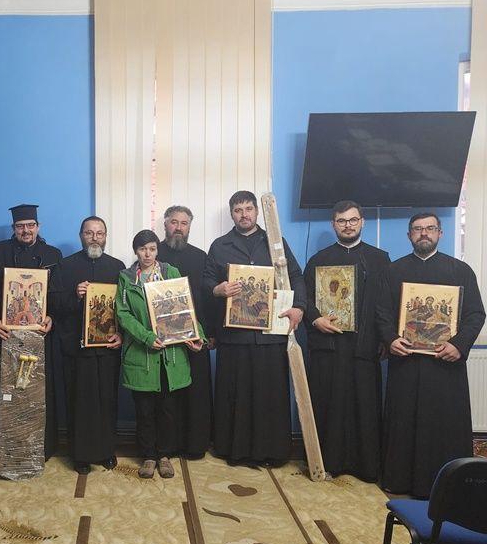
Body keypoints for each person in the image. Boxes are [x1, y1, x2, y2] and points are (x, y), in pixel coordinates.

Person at [376, 212, 485, 497]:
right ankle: (400, 480)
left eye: (430, 228)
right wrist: (391, 339)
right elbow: (382, 313)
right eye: (417, 229)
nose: (424, 233)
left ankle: (448, 484)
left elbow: (475, 314)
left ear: (440, 233)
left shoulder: (461, 271)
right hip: (406, 364)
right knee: (404, 422)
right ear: (409, 235)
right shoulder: (394, 271)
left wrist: (458, 345)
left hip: (445, 365)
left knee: (443, 425)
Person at [202, 190, 306, 466]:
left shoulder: (275, 242)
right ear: (231, 214)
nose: (244, 215)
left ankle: (271, 451)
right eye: (238, 210)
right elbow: (206, 281)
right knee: (234, 394)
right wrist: (218, 289)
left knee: (269, 394)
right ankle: (233, 450)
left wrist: (299, 307)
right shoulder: (219, 246)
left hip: (270, 336)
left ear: (257, 212)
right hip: (234, 336)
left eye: (248, 209)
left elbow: (296, 276)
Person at [303, 200, 390, 481]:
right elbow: (303, 299)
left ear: (362, 222)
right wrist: (315, 319)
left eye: (353, 220)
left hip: (365, 346)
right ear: (334, 225)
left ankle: (367, 467)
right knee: (330, 404)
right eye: (342, 221)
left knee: (365, 405)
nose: (348, 225)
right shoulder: (318, 260)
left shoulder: (380, 259)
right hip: (329, 346)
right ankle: (329, 462)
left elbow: (387, 303)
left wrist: (386, 338)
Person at [116, 229, 204, 479]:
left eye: (152, 249)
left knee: (168, 410)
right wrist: (146, 337)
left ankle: (164, 456)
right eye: (143, 249)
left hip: (171, 356)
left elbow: (185, 307)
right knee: (144, 411)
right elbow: (123, 314)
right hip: (141, 354)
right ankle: (148, 456)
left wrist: (197, 336)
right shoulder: (126, 278)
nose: (148, 254)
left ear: (157, 250)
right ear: (136, 251)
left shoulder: (170, 272)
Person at [0, 204, 63, 459]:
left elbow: (58, 292)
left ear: (38, 226)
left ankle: (41, 448)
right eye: (20, 226)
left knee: (38, 391)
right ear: (13, 228)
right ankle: (8, 448)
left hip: (40, 336)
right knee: (9, 391)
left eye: (30, 225)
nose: (25, 230)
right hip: (6, 335)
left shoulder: (52, 254)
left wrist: (51, 316)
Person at [51, 216, 124, 475]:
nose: (94, 238)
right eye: (89, 233)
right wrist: (75, 295)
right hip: (76, 348)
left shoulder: (117, 267)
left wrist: (121, 335)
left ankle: (106, 451)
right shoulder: (65, 266)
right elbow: (54, 306)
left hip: (107, 348)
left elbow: (126, 308)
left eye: (99, 233)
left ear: (105, 236)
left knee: (107, 400)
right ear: (81, 235)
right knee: (79, 402)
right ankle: (80, 455)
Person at [156, 205, 214, 460]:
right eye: (174, 222)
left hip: (195, 336)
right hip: (162, 339)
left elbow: (208, 298)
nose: (178, 228)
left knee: (196, 392)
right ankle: (165, 447)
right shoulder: (152, 253)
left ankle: (194, 445)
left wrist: (209, 332)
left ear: (190, 227)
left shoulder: (201, 257)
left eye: (184, 223)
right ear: (165, 224)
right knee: (166, 395)